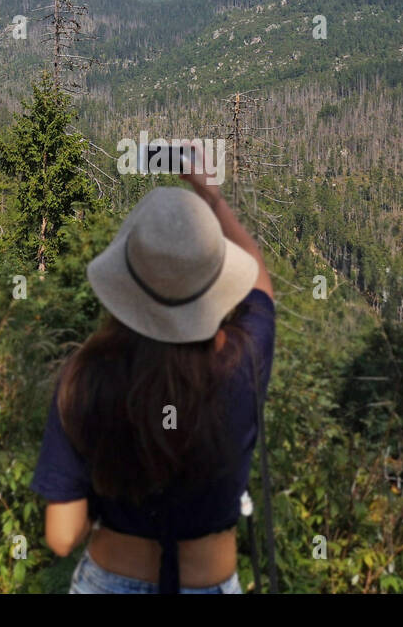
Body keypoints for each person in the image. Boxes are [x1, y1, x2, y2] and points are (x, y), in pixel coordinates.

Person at [30, 160, 275, 594]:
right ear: (215, 281)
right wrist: (211, 196)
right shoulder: (244, 359)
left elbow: (62, 536)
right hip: (210, 581)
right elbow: (260, 284)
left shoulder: (86, 377)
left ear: (127, 286)